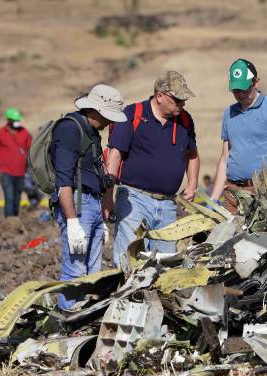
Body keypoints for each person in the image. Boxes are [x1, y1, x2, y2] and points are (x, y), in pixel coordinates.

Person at [104, 71, 199, 266]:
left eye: (183, 100)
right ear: (159, 96)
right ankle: (125, 295)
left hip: (167, 205)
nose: (182, 104)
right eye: (177, 100)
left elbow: (192, 155)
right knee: (129, 259)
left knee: (165, 264)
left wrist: (192, 184)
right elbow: (114, 155)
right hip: (134, 199)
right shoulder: (133, 114)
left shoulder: (184, 121)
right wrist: (107, 197)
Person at [51, 84, 126, 309]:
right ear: (98, 110)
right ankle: (68, 320)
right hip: (76, 204)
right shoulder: (69, 129)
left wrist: (100, 218)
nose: (109, 123)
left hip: (91, 205)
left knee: (93, 272)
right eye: (108, 116)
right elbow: (63, 182)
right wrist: (72, 222)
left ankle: (84, 319)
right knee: (75, 271)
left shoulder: (92, 133)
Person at [209, 58, 267, 218]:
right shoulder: (229, 114)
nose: (241, 95)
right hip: (233, 193)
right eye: (236, 91)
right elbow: (225, 158)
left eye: (245, 89)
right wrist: (214, 199)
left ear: (256, 83)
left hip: (265, 194)